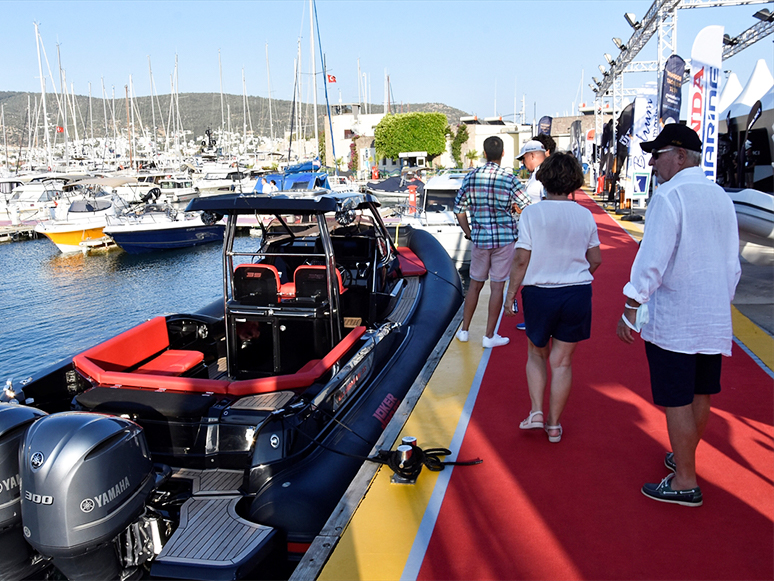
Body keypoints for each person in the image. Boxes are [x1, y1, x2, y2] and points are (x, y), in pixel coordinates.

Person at [616, 123, 741, 507]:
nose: (652, 162)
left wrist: (631, 304)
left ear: (680, 155)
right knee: (701, 392)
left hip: (676, 317)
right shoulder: (720, 196)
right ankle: (685, 457)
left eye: (658, 154)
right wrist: (723, 299)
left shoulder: (669, 196)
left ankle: (685, 479)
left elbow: (653, 257)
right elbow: (732, 262)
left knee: (676, 398)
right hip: (712, 314)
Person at [504, 152, 602, 443]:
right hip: (577, 293)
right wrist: (576, 275)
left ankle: (535, 412)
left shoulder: (533, 213)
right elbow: (595, 259)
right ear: (574, 181)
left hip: (540, 293)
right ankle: (554, 426)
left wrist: (511, 294)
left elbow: (521, 258)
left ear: (544, 178)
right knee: (562, 362)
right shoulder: (584, 214)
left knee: (536, 353)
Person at [454, 136, 531, 348]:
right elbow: (527, 205)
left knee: (474, 287)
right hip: (505, 240)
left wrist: (469, 232)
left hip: (480, 240)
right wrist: (513, 209)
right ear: (503, 154)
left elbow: (459, 209)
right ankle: (489, 336)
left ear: (484, 153)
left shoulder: (471, 177)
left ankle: (464, 330)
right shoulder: (509, 178)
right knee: (498, 287)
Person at [517, 140, 547, 205]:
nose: (522, 162)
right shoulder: (535, 172)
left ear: (532, 156)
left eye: (523, 158)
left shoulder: (546, 173)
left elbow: (548, 202)